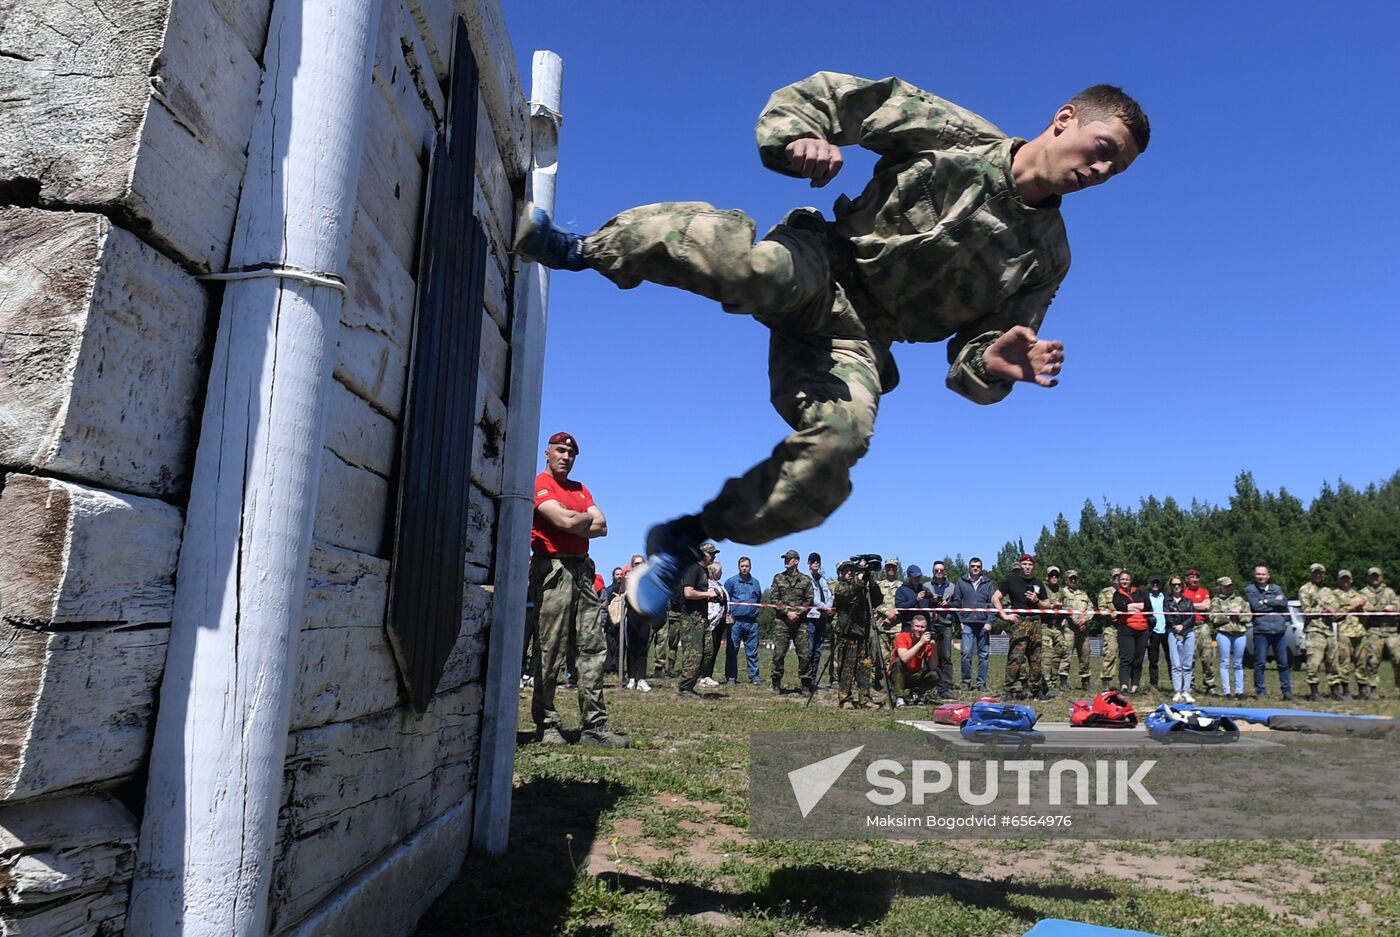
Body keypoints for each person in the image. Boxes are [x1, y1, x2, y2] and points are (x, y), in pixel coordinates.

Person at [525, 74, 1152, 616]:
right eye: (1102, 151)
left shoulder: (1047, 257)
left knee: (838, 451)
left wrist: (991, 364)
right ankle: (583, 249)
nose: (1100, 173)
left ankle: (685, 539)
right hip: (823, 266)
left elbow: (977, 354)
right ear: (1065, 120)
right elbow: (833, 96)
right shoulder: (952, 132)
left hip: (859, 342)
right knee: (753, 270)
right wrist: (797, 138)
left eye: (1115, 170)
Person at [527, 432, 627, 747]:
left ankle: (594, 727)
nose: (566, 457)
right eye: (560, 451)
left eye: (571, 454)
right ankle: (547, 725)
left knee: (593, 648)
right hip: (552, 569)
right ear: (547, 453)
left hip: (582, 570)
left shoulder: (581, 489)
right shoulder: (540, 484)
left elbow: (603, 526)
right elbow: (566, 520)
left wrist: (574, 521)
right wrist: (581, 521)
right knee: (550, 648)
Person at [993, 553, 1051, 700]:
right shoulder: (1011, 581)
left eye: (1030, 564)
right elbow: (995, 598)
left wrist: (1036, 600)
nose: (1027, 567)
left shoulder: (1038, 583)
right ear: (1020, 565)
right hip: (1019, 622)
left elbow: (1047, 605)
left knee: (1036, 658)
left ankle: (1036, 689)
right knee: (1016, 658)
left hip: (1036, 623)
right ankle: (1010, 690)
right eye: (1024, 564)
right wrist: (1005, 615)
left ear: (1033, 567)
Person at [832, 559, 881, 709]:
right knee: (846, 667)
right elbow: (847, 593)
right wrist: (859, 580)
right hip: (847, 632)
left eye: (852, 570)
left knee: (864, 667)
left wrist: (871, 582)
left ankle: (864, 698)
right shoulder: (840, 587)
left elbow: (877, 599)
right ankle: (845, 698)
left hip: (862, 632)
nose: (850, 573)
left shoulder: (862, 587)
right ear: (840, 573)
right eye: (846, 571)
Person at [1245, 564, 1292, 700]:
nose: (1261, 577)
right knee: (1260, 662)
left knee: (1283, 662)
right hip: (1261, 630)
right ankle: (1260, 691)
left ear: (1268, 575)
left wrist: (1265, 601)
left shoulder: (1277, 588)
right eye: (1258, 574)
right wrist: (1273, 604)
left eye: (1263, 574)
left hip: (1279, 630)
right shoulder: (1250, 589)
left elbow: (1283, 604)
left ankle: (1286, 691)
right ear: (1255, 575)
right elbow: (1256, 607)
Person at [769, 548, 814, 694]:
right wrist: (787, 612)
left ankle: (806, 683)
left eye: (789, 559)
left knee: (804, 654)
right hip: (782, 621)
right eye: (785, 559)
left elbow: (809, 600)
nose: (786, 561)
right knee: (779, 653)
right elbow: (774, 599)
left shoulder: (805, 580)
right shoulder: (778, 578)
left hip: (800, 622)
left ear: (797, 561)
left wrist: (797, 613)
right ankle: (776, 682)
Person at [676, 554, 719, 699]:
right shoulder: (692, 569)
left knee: (708, 650)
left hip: (702, 617)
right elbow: (688, 593)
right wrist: (707, 594)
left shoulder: (705, 571)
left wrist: (712, 597)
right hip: (691, 618)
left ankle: (691, 684)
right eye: (711, 554)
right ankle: (684, 687)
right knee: (694, 654)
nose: (713, 556)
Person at [1298, 562, 1341, 701]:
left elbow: (1336, 612)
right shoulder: (1305, 589)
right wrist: (1322, 610)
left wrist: (1334, 612)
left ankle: (1335, 690)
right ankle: (1314, 692)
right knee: (1313, 663)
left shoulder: (1329, 591)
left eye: (1320, 573)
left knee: (1333, 663)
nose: (1318, 575)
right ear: (1311, 574)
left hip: (1328, 630)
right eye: (1316, 572)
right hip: (1314, 630)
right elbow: (1306, 611)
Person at [954, 557, 995, 691]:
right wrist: (959, 621)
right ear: (969, 567)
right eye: (973, 566)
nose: (975, 568)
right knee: (966, 653)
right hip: (967, 623)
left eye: (978, 566)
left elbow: (993, 604)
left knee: (983, 655)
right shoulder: (961, 582)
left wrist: (990, 621)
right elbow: (957, 603)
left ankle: (981, 683)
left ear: (981, 568)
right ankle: (966, 682)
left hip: (983, 623)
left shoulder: (988, 583)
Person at [724, 556, 764, 686]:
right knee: (732, 650)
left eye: (747, 566)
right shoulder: (731, 582)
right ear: (738, 567)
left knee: (752, 651)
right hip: (736, 622)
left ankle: (754, 676)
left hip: (752, 622)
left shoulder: (756, 583)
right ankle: (731, 677)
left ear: (750, 567)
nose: (744, 568)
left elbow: (758, 599)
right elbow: (725, 599)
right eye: (742, 566)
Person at [1361, 567, 1400, 699]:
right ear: (1368, 578)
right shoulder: (1363, 593)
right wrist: (1383, 608)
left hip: (1391, 631)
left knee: (1398, 659)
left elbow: (1397, 606)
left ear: (1381, 577)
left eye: (1377, 576)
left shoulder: (1389, 592)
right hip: (1374, 630)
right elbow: (1367, 609)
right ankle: (1372, 689)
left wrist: (1394, 607)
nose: (1375, 578)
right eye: (1372, 576)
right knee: (1372, 661)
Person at [1332, 570, 1372, 700]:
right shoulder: (1334, 595)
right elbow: (1334, 614)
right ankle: (1345, 690)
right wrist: (1351, 606)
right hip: (1344, 633)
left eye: (1347, 579)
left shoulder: (1359, 595)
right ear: (1339, 580)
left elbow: (1370, 611)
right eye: (1343, 579)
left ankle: (1362, 690)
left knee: (1362, 662)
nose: (1345, 581)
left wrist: (1361, 607)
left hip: (1360, 631)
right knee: (1344, 662)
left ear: (1351, 580)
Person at [1210, 576, 1250, 700]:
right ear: (1220, 587)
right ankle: (1227, 692)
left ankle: (1239, 691)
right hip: (1224, 634)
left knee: (1238, 663)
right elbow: (1213, 618)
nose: (1228, 588)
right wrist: (1227, 614)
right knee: (1225, 663)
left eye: (1230, 586)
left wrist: (1239, 615)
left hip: (1239, 633)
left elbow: (1248, 617)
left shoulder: (1240, 600)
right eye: (1225, 586)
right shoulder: (1216, 601)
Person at [1111, 570, 1150, 694]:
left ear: (1131, 580)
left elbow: (1148, 606)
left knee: (1138, 660)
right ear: (1119, 581)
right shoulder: (1117, 594)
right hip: (1126, 629)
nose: (1124, 581)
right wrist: (1138, 606)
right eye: (1122, 579)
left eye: (1127, 579)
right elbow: (1121, 607)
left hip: (1143, 629)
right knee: (1127, 658)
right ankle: (1124, 685)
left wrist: (1130, 606)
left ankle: (1135, 685)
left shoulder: (1140, 592)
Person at [1181, 569, 1217, 697]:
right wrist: (1197, 605)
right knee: (1190, 657)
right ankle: (1189, 685)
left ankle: (1210, 685)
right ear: (1187, 579)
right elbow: (1182, 607)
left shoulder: (1204, 591)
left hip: (1203, 626)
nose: (1194, 579)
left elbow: (1206, 606)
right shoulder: (1182, 592)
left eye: (1197, 577)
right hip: (1188, 626)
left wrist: (1190, 605)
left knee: (1207, 657)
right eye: (1192, 577)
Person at [890, 613, 938, 707]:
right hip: (898, 674)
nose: (919, 630)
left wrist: (935, 647)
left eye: (922, 627)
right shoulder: (902, 637)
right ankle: (899, 697)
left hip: (914, 675)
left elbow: (933, 666)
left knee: (933, 675)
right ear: (912, 627)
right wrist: (920, 643)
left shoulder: (927, 642)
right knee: (899, 662)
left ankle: (917, 693)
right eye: (917, 626)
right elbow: (904, 658)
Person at [621, 553, 653, 692]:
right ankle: (632, 677)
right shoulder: (627, 579)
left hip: (645, 616)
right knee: (632, 646)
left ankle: (642, 678)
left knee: (643, 646)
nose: (639, 566)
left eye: (641, 563)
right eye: (636, 564)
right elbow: (621, 593)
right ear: (632, 565)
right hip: (632, 615)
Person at [1059, 570, 1095, 690]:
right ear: (1066, 580)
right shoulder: (1062, 592)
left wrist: (1085, 619)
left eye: (1075, 578)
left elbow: (1090, 608)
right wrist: (1075, 620)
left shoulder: (1083, 594)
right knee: (1066, 655)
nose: (1073, 581)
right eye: (1071, 579)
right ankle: (1063, 682)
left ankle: (1085, 681)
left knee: (1085, 655)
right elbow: (1062, 607)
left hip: (1083, 630)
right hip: (1068, 629)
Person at [927, 561, 957, 699]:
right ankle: (931, 682)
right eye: (936, 570)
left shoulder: (952, 587)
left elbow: (958, 603)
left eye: (941, 570)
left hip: (946, 624)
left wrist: (948, 604)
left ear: (945, 572)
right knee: (931, 655)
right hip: (931, 624)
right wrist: (930, 600)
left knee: (946, 655)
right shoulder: (926, 586)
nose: (939, 572)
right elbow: (921, 603)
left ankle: (947, 684)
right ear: (933, 571)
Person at [1165, 576, 1197, 703]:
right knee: (1176, 664)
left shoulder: (1188, 601)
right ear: (1170, 587)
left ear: (1182, 585)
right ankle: (1177, 691)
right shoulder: (1167, 602)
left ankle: (1186, 691)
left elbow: (1192, 617)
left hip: (1188, 632)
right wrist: (1175, 627)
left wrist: (1183, 626)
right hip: (1173, 633)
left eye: (1178, 584)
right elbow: (1167, 616)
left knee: (1187, 663)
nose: (1176, 586)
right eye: (1174, 585)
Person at [873, 559, 903, 689]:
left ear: (897, 569)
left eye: (893, 567)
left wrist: (894, 615)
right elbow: (876, 602)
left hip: (897, 627)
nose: (891, 569)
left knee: (896, 656)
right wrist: (886, 613)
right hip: (882, 626)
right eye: (888, 567)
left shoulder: (902, 586)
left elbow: (904, 604)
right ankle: (884, 682)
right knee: (882, 657)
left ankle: (895, 681)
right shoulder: (879, 585)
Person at [806, 553, 834, 686]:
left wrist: (828, 607)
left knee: (818, 651)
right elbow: (811, 597)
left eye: (818, 562)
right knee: (809, 650)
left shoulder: (823, 580)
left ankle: (813, 679)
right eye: (813, 562)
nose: (816, 564)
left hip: (823, 618)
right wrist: (823, 607)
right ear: (809, 564)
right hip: (811, 617)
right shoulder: (806, 580)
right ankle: (806, 679)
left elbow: (829, 595)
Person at [1041, 566, 1071, 692]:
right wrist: (1052, 606)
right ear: (1047, 577)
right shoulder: (1042, 588)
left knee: (1060, 653)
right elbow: (1037, 605)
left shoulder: (1062, 591)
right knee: (1046, 657)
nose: (1054, 577)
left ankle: (1053, 682)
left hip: (1058, 627)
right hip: (1045, 626)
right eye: (1051, 575)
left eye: (1056, 575)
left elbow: (1069, 609)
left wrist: (1061, 608)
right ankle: (1045, 684)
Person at [699, 556, 728, 687]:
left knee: (715, 649)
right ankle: (702, 675)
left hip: (720, 622)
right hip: (711, 621)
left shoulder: (720, 585)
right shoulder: (709, 585)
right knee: (707, 650)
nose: (721, 574)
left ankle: (708, 674)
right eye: (720, 571)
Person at [1097, 569, 1123, 691]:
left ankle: (1124, 682)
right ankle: (1106, 681)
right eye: (1115, 577)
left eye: (1120, 577)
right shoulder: (1105, 592)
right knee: (1110, 653)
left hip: (1126, 628)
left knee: (1126, 657)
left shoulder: (1128, 591)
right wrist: (1109, 613)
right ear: (1111, 579)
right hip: (1111, 628)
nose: (1118, 579)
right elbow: (1101, 609)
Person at [1143, 576, 1169, 690]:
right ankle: (1154, 684)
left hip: (1166, 631)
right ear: (1149, 584)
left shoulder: (1166, 597)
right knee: (1153, 660)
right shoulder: (1145, 597)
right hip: (1152, 631)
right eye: (1153, 583)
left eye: (1157, 583)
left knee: (1171, 658)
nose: (1155, 585)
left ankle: (1175, 684)